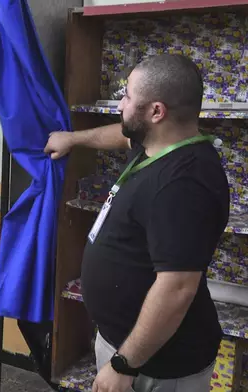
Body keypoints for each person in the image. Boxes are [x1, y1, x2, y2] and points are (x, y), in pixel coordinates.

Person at [45, 54, 229, 392]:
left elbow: (176, 288)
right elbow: (122, 134)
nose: (120, 104)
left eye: (127, 96)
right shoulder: (157, 143)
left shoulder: (184, 185)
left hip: (156, 367)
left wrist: (124, 363)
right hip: (124, 345)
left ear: (157, 112)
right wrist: (73, 139)